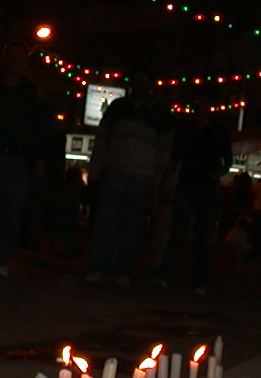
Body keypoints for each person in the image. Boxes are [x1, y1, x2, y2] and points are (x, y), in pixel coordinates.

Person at [85, 65, 174, 285]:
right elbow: (101, 141)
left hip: (142, 177)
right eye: (137, 77)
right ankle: (99, 267)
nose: (141, 82)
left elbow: (165, 152)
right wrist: (95, 171)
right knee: (106, 223)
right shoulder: (117, 107)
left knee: (133, 227)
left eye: (145, 78)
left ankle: (124, 270)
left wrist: (160, 181)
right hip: (115, 172)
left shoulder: (161, 113)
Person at [0, 40, 49, 282]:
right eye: (12, 57)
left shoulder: (31, 92)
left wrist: (39, 157)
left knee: (11, 212)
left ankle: (2, 261)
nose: (16, 62)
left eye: (21, 58)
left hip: (18, 158)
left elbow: (39, 127)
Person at [157, 108, 232, 294]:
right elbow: (175, 158)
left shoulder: (216, 131)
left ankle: (197, 279)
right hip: (191, 183)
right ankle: (173, 276)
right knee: (181, 232)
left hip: (204, 184)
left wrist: (216, 175)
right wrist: (164, 182)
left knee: (201, 235)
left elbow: (227, 160)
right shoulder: (187, 130)